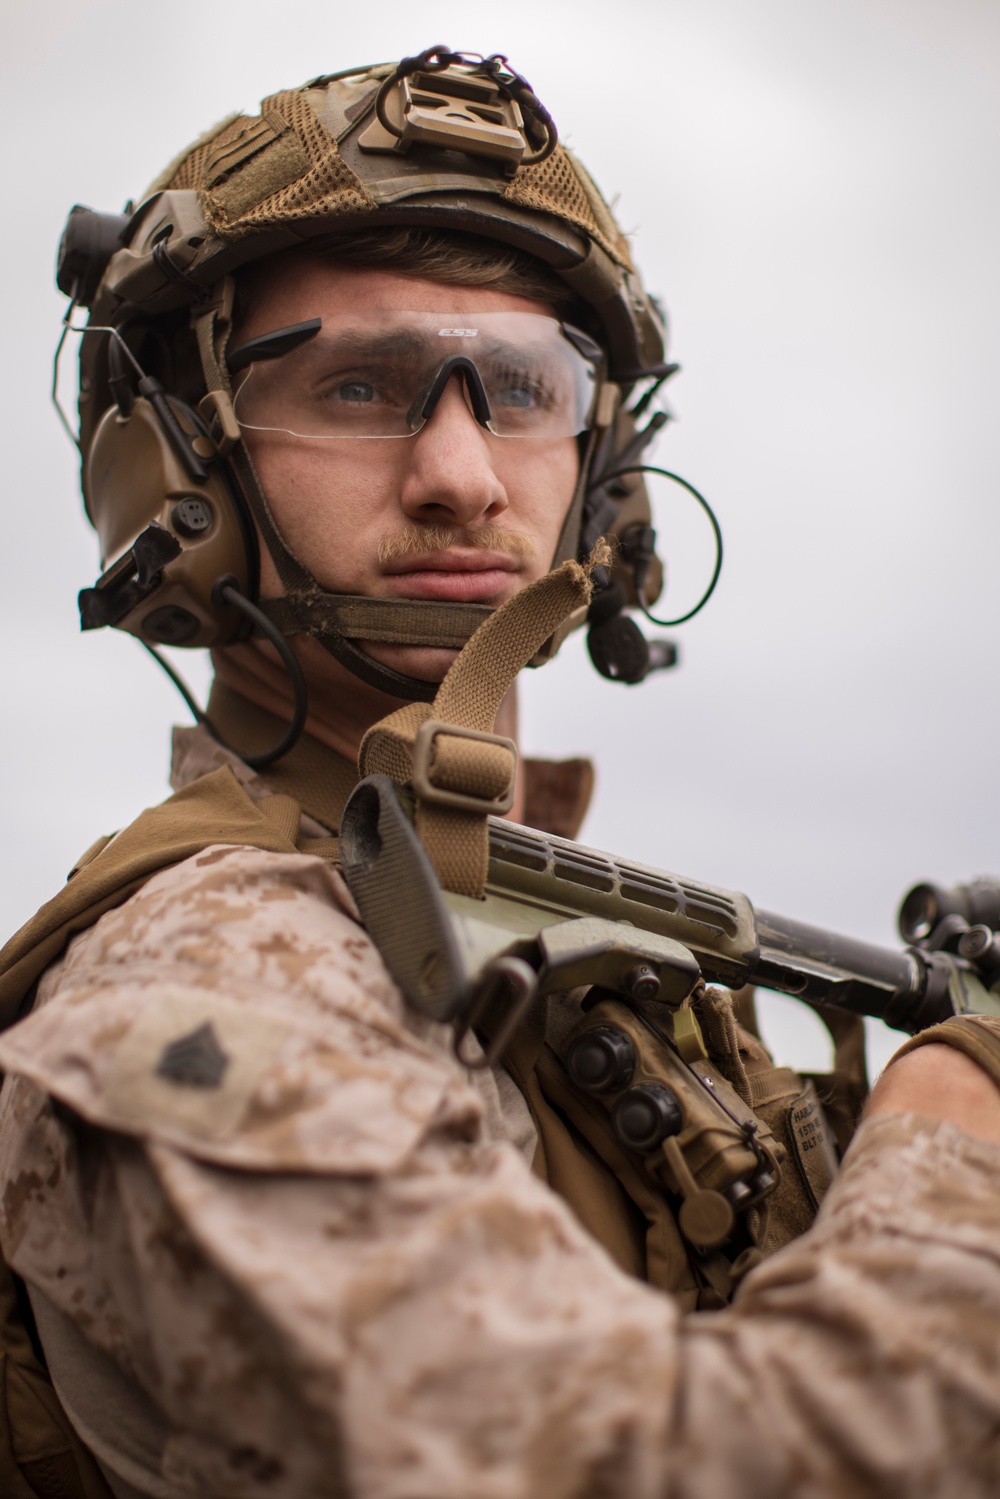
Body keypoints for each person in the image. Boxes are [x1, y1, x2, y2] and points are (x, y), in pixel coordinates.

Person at [1, 45, 999, 1499]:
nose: (465, 475)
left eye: (523, 392)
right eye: (358, 386)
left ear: (605, 479)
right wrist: (952, 1134)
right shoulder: (209, 973)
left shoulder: (538, 937)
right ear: (175, 477)